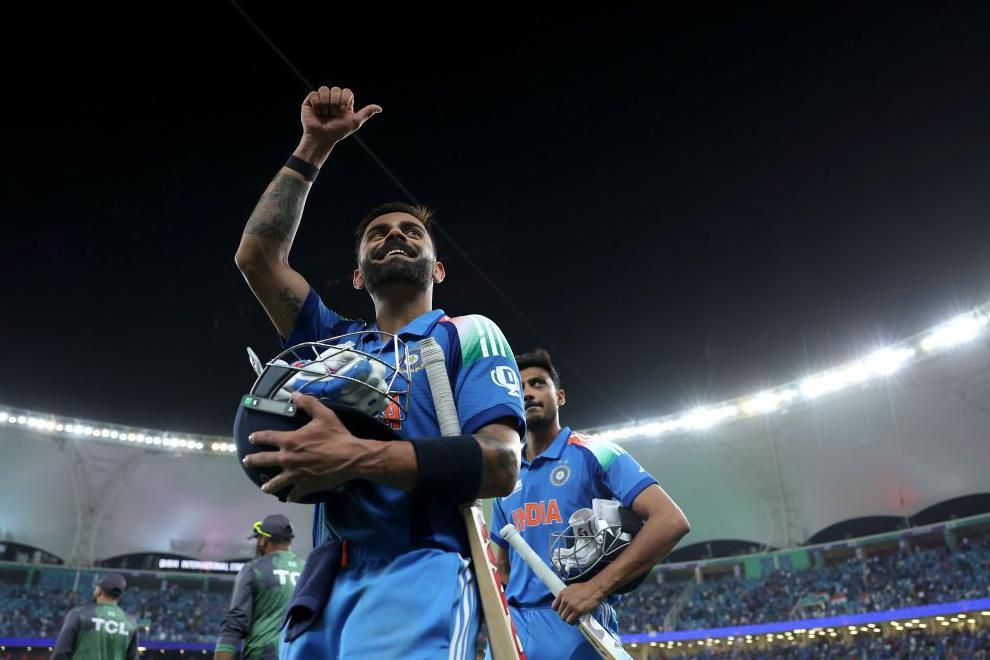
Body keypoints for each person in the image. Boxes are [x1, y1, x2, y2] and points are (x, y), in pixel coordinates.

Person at [235, 84, 526, 659]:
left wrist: (356, 457)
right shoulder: (330, 340)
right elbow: (258, 257)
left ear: (438, 269)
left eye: (411, 232)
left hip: (423, 565)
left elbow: (499, 462)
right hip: (325, 579)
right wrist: (312, 148)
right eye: (378, 234)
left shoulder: (466, 333)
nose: (394, 234)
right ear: (358, 277)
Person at [489, 349, 690, 660]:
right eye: (520, 387)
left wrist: (596, 588)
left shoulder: (595, 452)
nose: (528, 393)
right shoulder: (505, 472)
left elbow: (670, 521)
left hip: (576, 624)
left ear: (561, 396)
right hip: (513, 634)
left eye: (538, 384)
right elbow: (501, 567)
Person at [215, 515, 304, 660]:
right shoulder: (307, 569)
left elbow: (235, 622)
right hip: (298, 653)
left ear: (264, 540)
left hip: (263, 653)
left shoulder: (253, 569)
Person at [51, 573, 138, 660]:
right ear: (120, 596)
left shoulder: (79, 614)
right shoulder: (131, 622)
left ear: (98, 590)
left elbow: (61, 653)